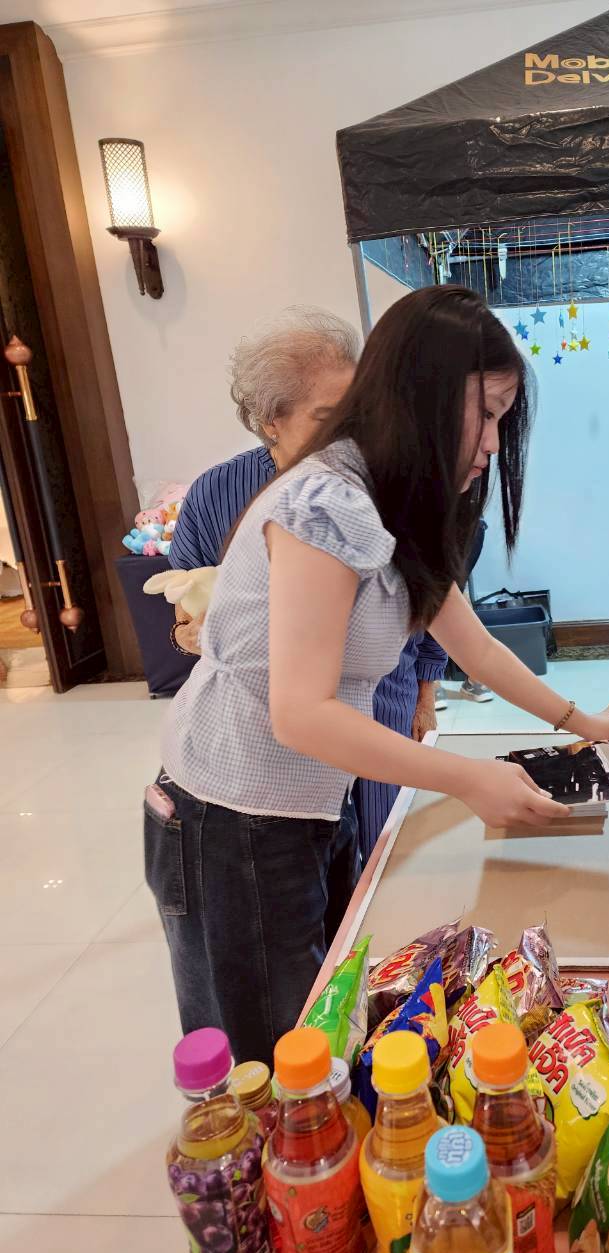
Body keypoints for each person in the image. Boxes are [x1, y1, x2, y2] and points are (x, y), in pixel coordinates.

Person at [147, 285, 609, 1067]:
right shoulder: (324, 502)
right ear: (425, 393)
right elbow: (301, 712)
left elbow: (476, 648)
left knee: (324, 1024)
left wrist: (582, 723)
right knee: (276, 1058)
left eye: (504, 418)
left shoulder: (396, 498)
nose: (493, 443)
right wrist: (469, 779)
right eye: (487, 413)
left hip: (310, 804)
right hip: (233, 815)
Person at [167, 305, 448, 861]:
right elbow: (182, 607)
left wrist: (426, 696)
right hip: (264, 739)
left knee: (382, 855)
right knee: (300, 875)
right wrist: (193, 635)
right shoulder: (220, 494)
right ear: (270, 418)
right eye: (327, 416)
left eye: (359, 410)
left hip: (380, 699)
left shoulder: (379, 481)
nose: (350, 432)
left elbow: (434, 598)